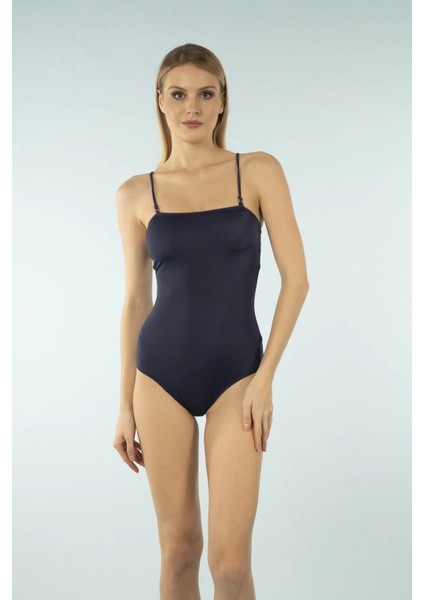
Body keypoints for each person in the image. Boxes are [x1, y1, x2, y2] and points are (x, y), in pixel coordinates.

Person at [113, 43, 309, 600]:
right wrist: (124, 403)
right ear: (160, 100)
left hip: (237, 376)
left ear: (223, 102)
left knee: (230, 566)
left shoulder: (258, 170)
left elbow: (297, 281)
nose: (192, 107)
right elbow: (135, 302)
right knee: (178, 552)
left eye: (205, 94)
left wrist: (265, 379)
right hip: (158, 376)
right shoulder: (135, 193)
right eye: (178, 95)